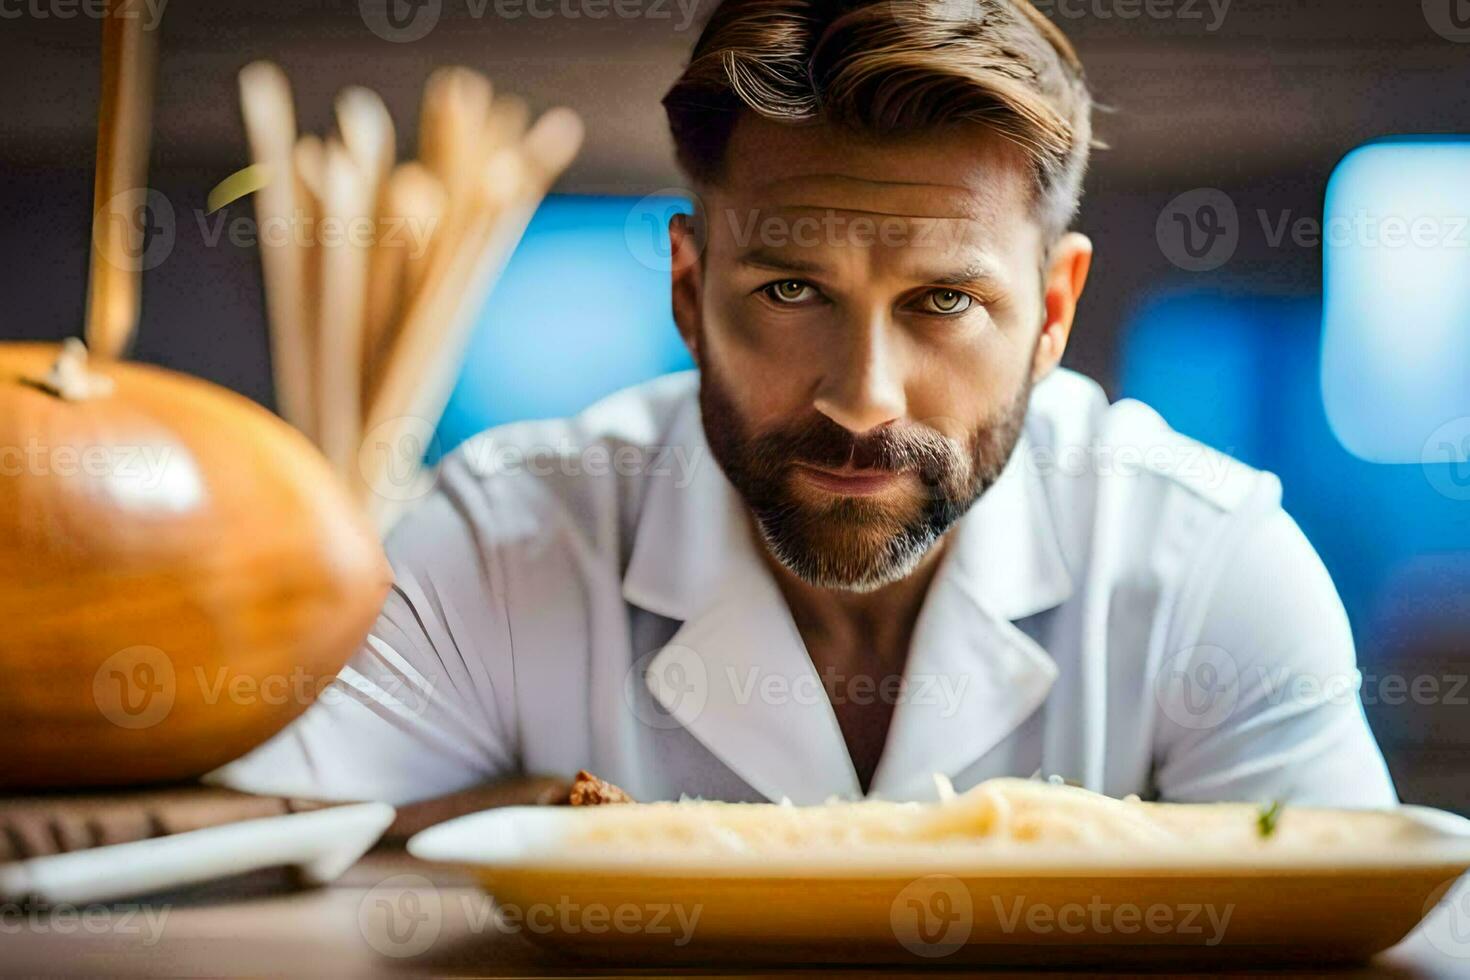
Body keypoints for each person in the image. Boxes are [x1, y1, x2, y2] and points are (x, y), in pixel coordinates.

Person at [214, 0, 1396, 809]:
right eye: (790, 288)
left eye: (941, 298)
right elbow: (245, 856)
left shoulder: (1208, 569)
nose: (861, 397)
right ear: (689, 287)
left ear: (1050, 313)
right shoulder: (496, 546)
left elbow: (1382, 947)